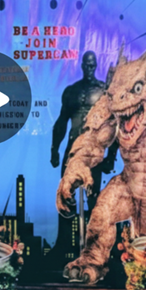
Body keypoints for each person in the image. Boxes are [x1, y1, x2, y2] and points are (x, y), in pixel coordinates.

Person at [51, 51, 118, 210]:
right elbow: (61, 122)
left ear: (95, 66)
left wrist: (111, 157)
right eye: (87, 66)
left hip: (93, 151)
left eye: (92, 66)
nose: (89, 69)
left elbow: (113, 125)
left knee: (93, 199)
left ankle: (91, 227)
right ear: (82, 66)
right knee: (66, 196)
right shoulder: (71, 91)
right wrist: (54, 150)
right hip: (72, 149)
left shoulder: (104, 92)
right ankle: (66, 228)